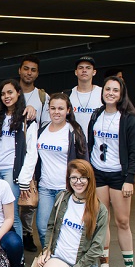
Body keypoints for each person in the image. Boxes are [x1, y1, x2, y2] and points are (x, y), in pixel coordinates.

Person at [87, 76, 135, 267]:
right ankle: (105, 265)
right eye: (107, 89)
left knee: (123, 221)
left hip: (119, 175)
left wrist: (130, 179)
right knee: (103, 219)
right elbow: (92, 145)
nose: (110, 93)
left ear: (121, 94)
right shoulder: (96, 115)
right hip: (99, 174)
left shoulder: (129, 119)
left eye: (115, 90)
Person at [38, 159, 108, 267]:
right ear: (68, 180)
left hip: (85, 265)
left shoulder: (99, 209)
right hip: (61, 259)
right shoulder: (62, 198)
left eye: (83, 177)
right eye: (74, 178)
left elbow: (97, 248)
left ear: (90, 179)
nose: (78, 182)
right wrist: (46, 251)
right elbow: (51, 226)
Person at [20, 93, 87, 249]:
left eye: (61, 108)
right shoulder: (42, 130)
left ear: (68, 110)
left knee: (64, 228)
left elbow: (84, 162)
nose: (56, 112)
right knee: (43, 227)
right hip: (45, 187)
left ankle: (63, 261)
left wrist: (81, 187)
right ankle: (48, 258)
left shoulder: (74, 131)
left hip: (66, 189)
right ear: (48, 110)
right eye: (53, 108)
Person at [0, 79, 39, 241]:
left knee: (12, 215)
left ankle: (18, 258)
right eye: (3, 94)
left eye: (10, 92)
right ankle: (2, 252)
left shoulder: (27, 118)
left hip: (12, 171)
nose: (6, 97)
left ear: (18, 93)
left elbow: (32, 152)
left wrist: (24, 177)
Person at [17, 56, 48, 252]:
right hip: (12, 151)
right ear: (19, 70)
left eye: (33, 70)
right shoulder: (12, 92)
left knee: (29, 194)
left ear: (37, 73)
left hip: (33, 152)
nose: (29, 72)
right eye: (26, 69)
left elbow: (46, 126)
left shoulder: (43, 97)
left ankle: (27, 233)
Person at [69, 56, 101, 143]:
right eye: (80, 68)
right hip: (73, 144)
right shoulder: (67, 95)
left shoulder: (102, 94)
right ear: (76, 72)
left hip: (95, 146)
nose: (84, 70)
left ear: (94, 72)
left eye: (88, 68)